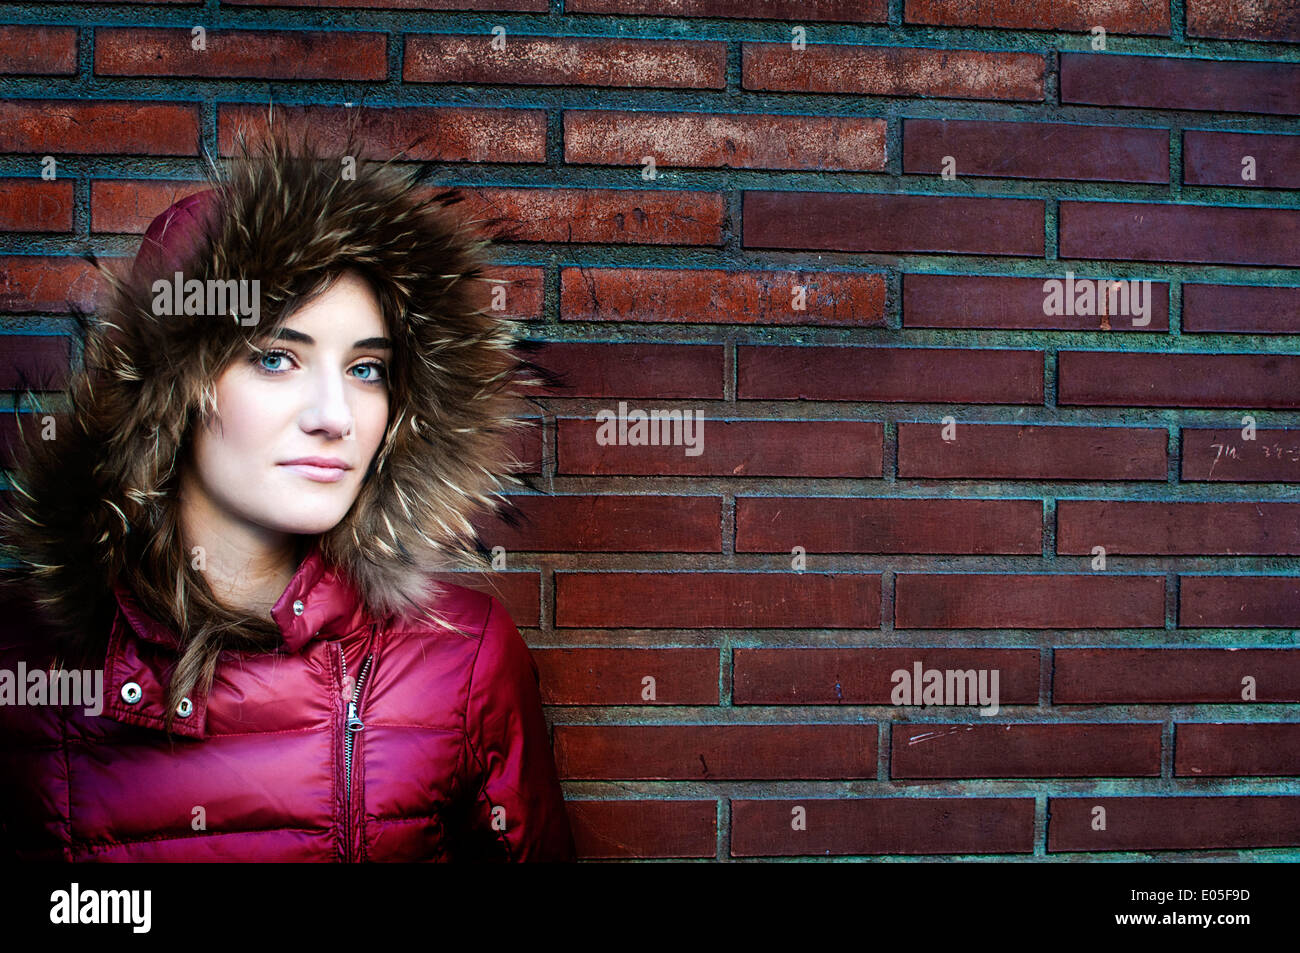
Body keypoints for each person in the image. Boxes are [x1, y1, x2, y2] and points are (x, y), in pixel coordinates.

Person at [0, 125, 576, 862]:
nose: (335, 416)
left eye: (367, 369)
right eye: (276, 358)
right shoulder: (26, 661)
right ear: (176, 389)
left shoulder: (460, 660)